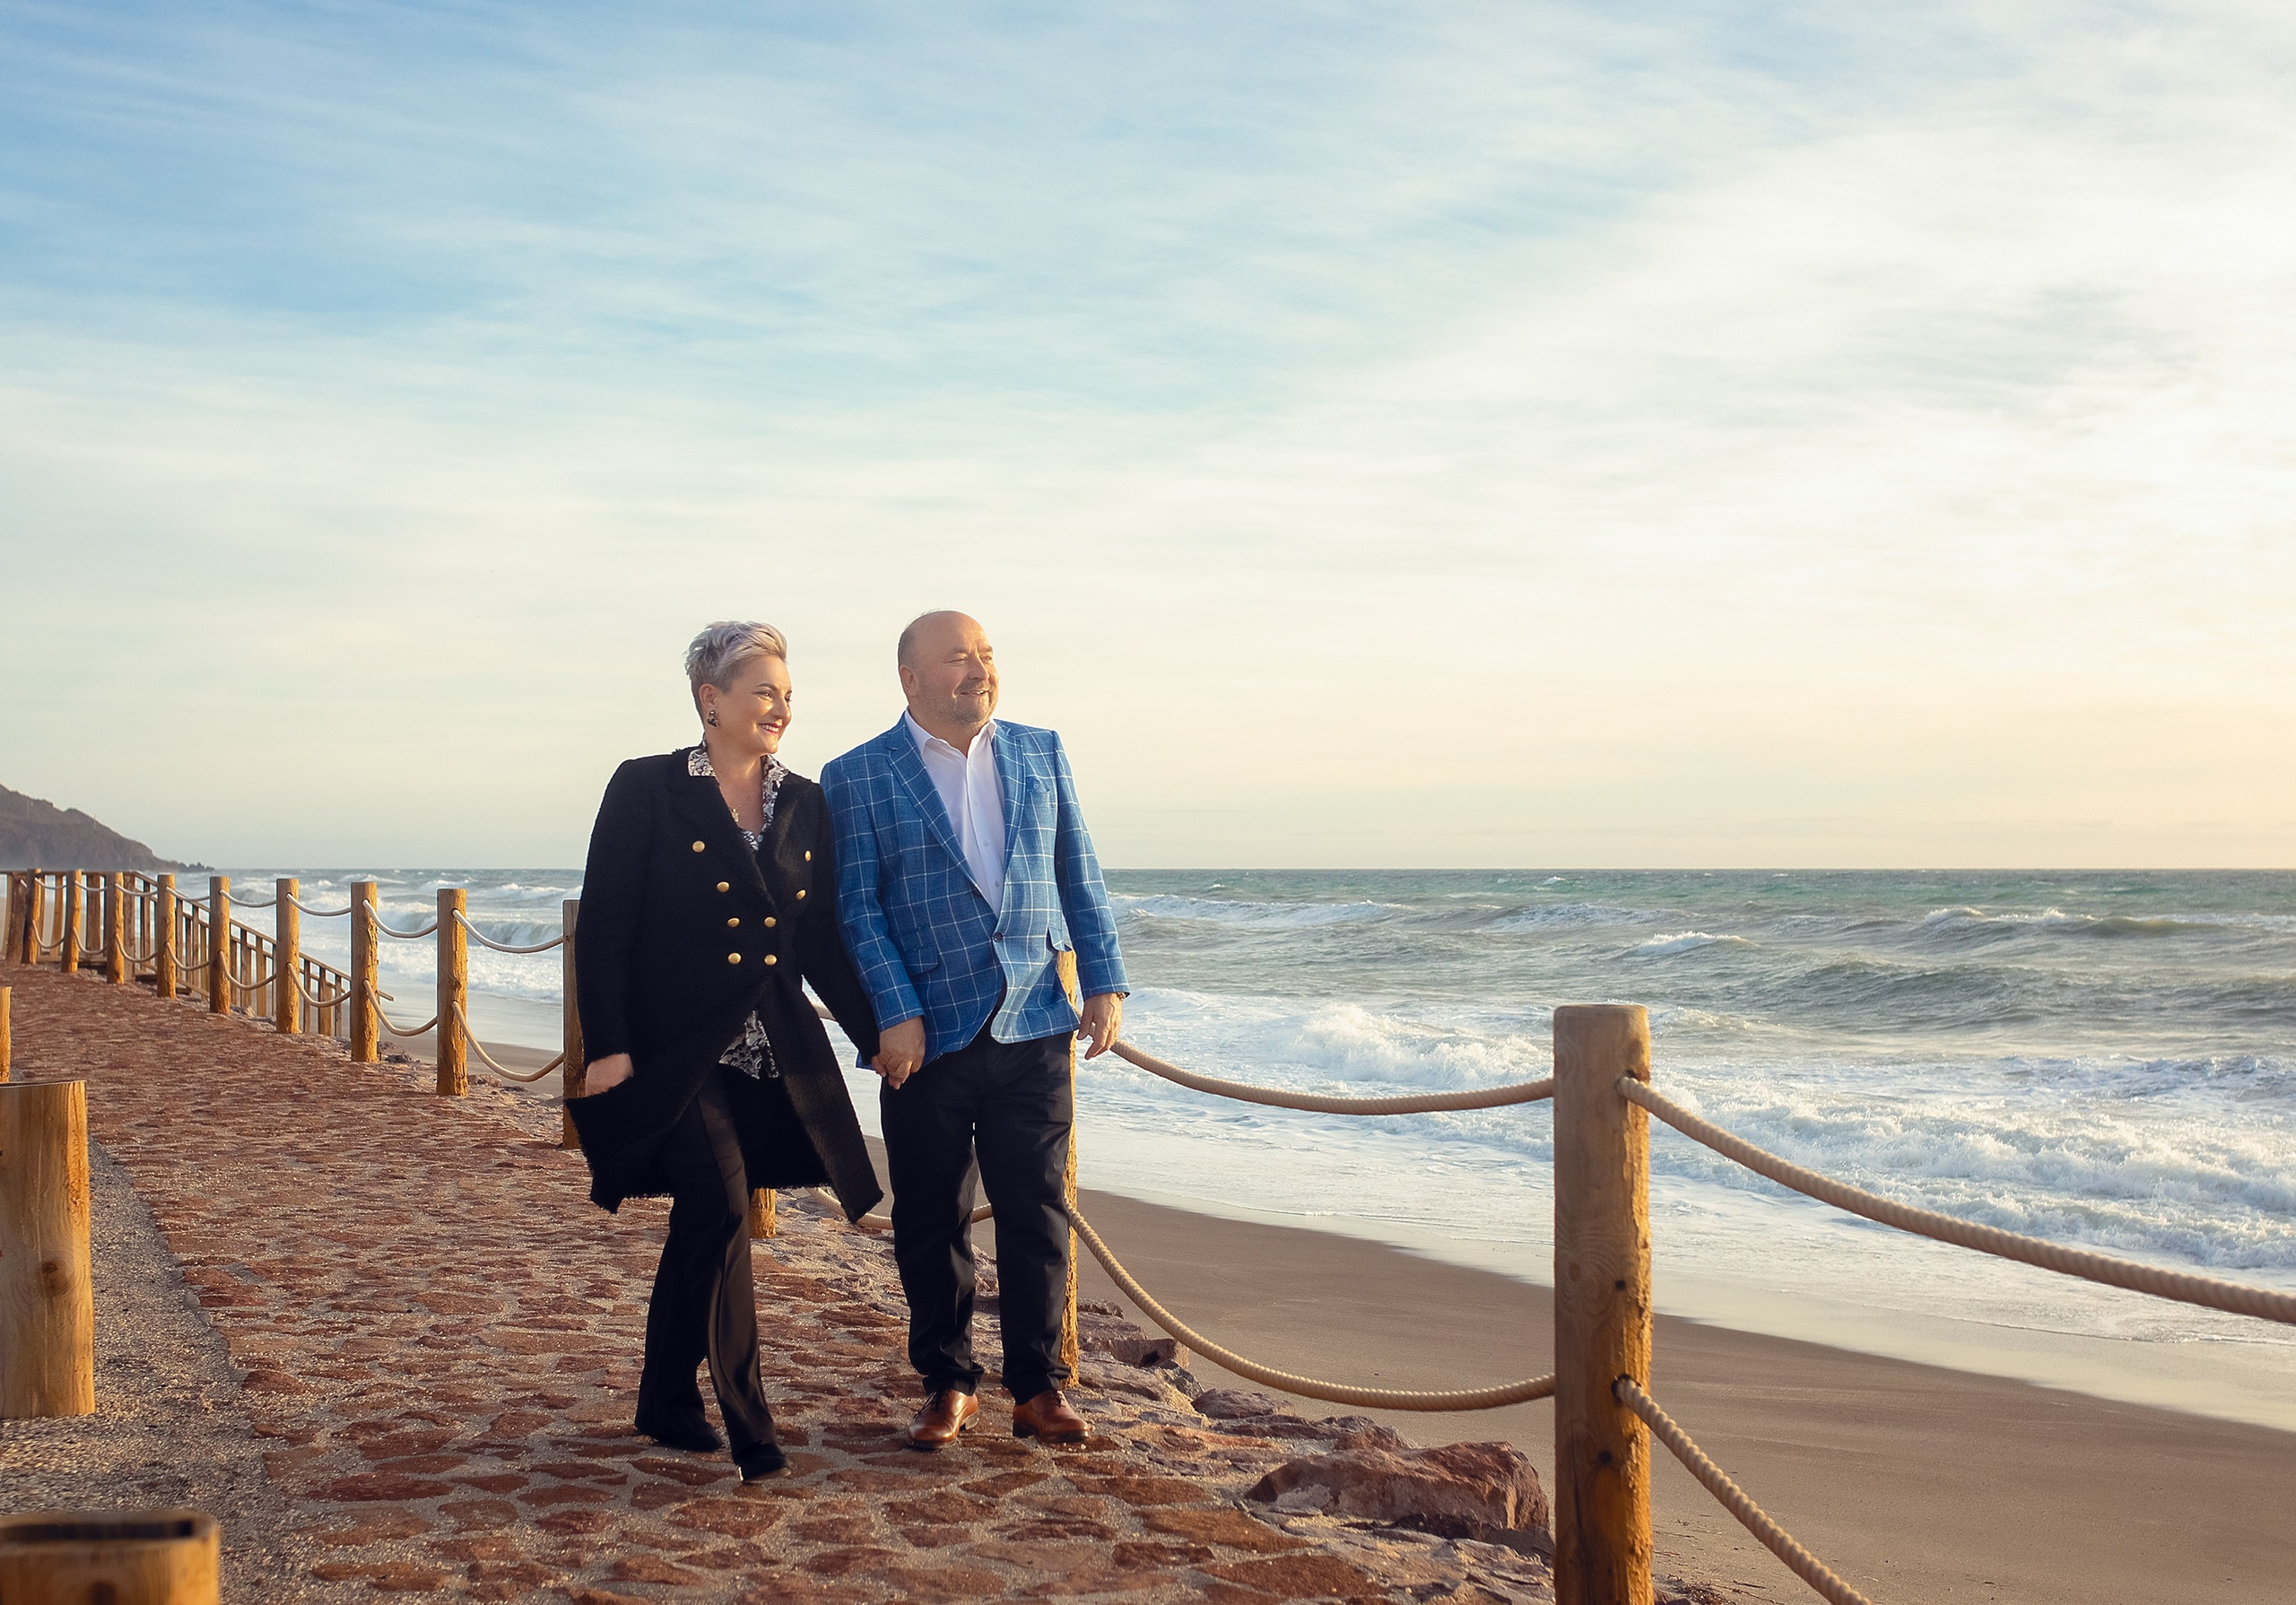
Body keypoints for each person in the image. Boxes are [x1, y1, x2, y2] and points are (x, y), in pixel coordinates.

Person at [569, 620, 883, 1481]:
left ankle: (665, 1396)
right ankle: (753, 1430)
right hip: (673, 1051)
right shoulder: (646, 788)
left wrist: (878, 1031)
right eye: (764, 691)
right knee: (718, 1202)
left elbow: (815, 939)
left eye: (787, 693)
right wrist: (608, 1047)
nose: (782, 706)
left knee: (716, 1213)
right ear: (711, 700)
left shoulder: (805, 801)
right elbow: (604, 927)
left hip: (768, 1051)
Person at [821, 610, 1127, 1452]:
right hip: (926, 1037)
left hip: (1034, 1020)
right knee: (930, 1218)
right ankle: (947, 1382)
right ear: (911, 678)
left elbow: (1079, 870)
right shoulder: (856, 774)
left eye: (986, 655)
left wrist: (1102, 979)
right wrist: (896, 1011)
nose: (977, 670)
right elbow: (857, 906)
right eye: (957, 659)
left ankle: (1039, 1388)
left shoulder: (1040, 749)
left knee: (1038, 1213)